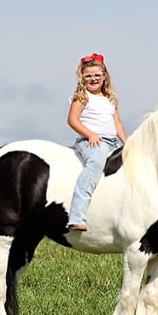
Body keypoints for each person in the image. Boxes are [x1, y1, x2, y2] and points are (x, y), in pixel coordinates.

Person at [66, 53, 127, 231]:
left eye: (97, 75)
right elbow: (72, 120)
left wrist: (127, 143)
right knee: (96, 162)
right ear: (82, 78)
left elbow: (117, 123)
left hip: (113, 141)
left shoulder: (110, 99)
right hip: (90, 141)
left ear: (104, 76)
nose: (93, 79)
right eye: (88, 76)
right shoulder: (81, 97)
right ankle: (77, 215)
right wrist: (91, 134)